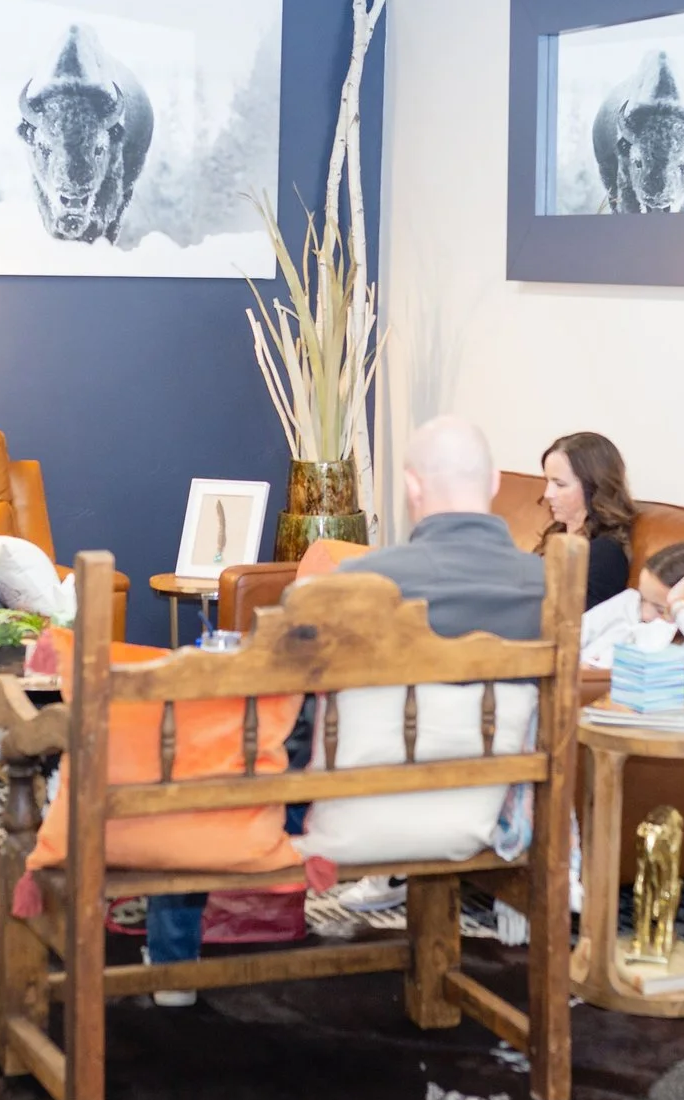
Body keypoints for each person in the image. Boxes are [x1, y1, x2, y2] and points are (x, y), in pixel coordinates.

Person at [143, 416, 549, 1001]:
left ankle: (172, 972)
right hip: (491, 819)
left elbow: (286, 713)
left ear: (412, 487)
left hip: (352, 820)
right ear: (489, 483)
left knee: (189, 778)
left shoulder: (354, 583)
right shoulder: (549, 583)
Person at [581, 539, 684, 675]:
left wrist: (678, 605)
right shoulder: (629, 602)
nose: (645, 614)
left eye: (660, 609)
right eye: (643, 599)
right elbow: (572, 634)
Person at [537, 430, 634, 609]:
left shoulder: (605, 554)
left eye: (560, 485)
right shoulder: (557, 531)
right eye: (547, 482)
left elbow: (573, 621)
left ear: (595, 487)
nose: (548, 494)